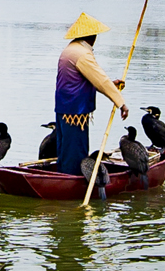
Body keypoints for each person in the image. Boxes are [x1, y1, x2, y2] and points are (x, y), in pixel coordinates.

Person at [52, 13, 133, 174]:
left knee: (65, 149)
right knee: (76, 150)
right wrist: (121, 103)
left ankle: (63, 174)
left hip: (63, 109)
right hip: (75, 112)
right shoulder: (82, 54)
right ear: (90, 36)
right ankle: (72, 180)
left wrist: (112, 84)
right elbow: (100, 80)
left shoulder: (69, 50)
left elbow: (85, 80)